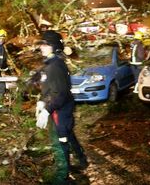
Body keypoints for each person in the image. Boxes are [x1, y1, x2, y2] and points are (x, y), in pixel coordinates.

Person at [35, 30, 88, 184]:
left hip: (60, 109)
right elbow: (49, 87)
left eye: (45, 45)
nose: (42, 47)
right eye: (42, 44)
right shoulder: (50, 64)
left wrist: (47, 110)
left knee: (60, 141)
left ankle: (62, 177)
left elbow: (61, 93)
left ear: (54, 46)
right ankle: (82, 160)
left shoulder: (55, 66)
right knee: (68, 133)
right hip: (59, 107)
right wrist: (42, 100)